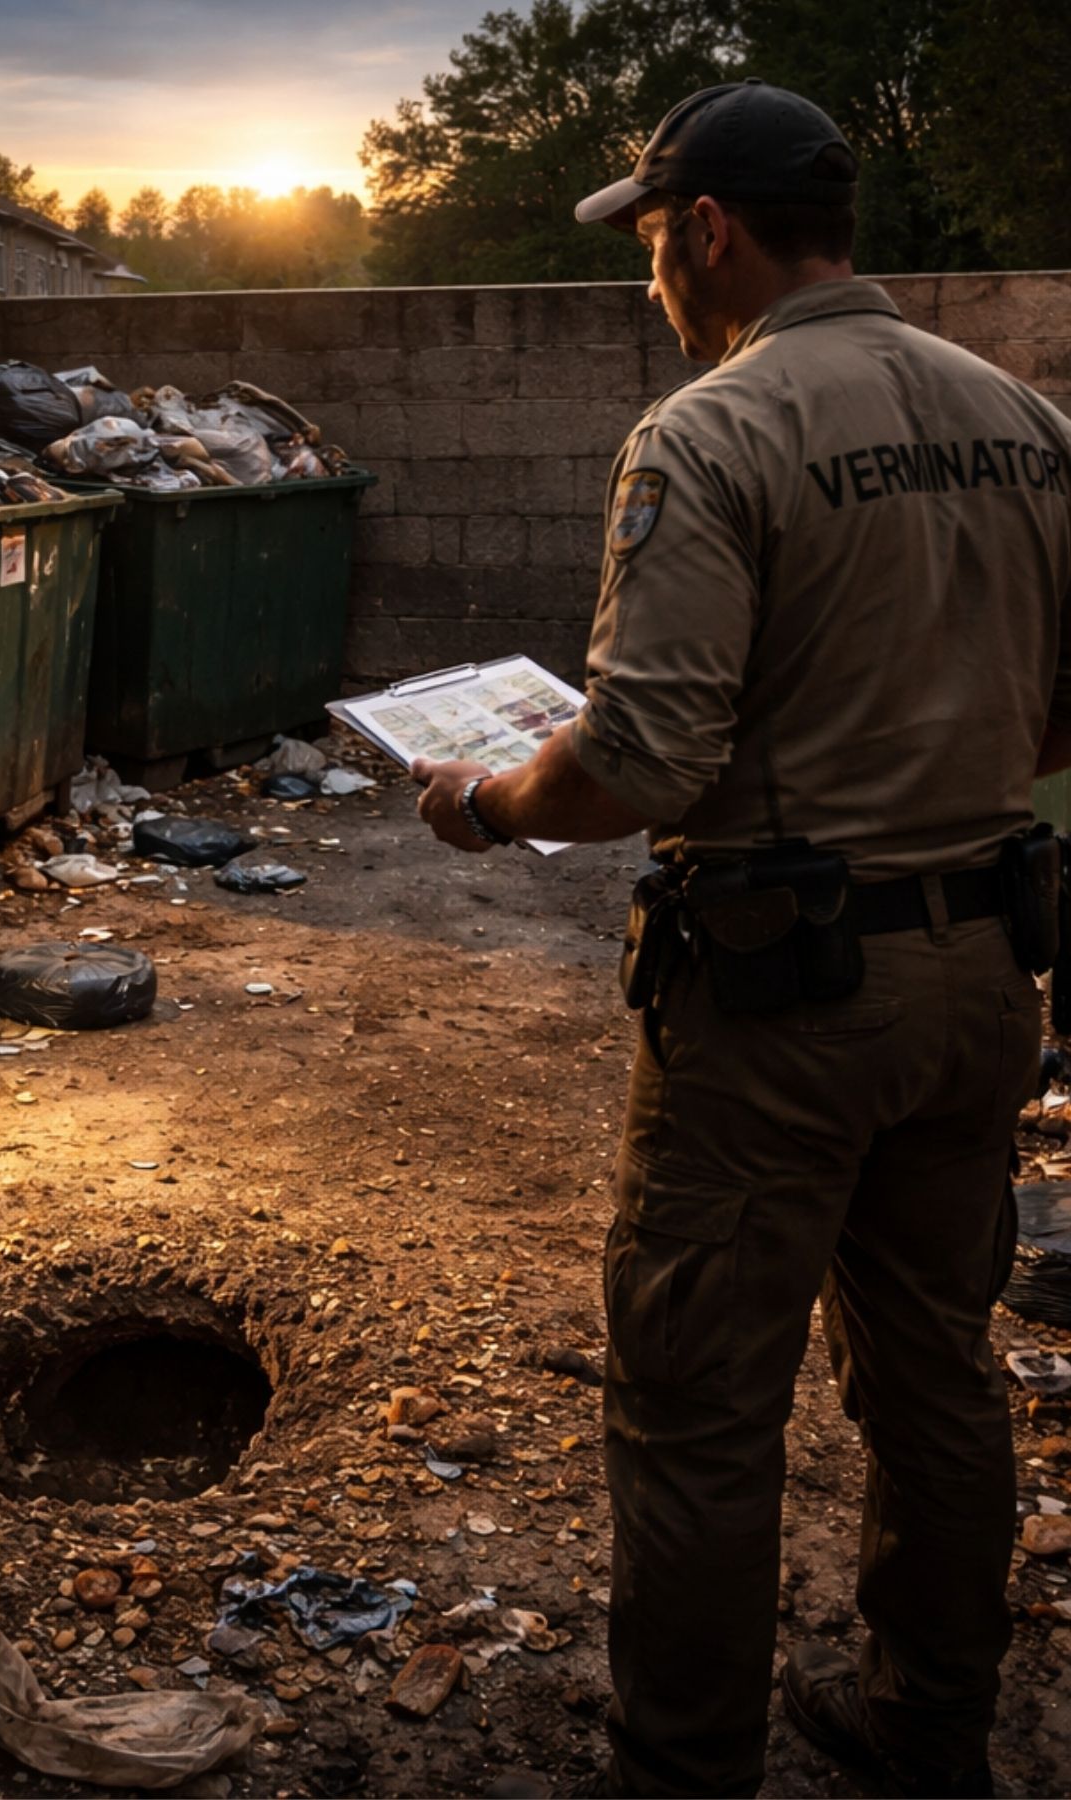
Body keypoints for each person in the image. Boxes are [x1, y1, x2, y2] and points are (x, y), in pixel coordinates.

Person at [407, 81, 1071, 1798]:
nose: (648, 284)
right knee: (937, 1367)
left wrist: (487, 804)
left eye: (650, 242)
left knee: (700, 1399)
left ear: (709, 230)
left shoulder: (712, 432)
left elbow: (641, 757)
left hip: (785, 1002)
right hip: (987, 973)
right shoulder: (1023, 420)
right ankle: (931, 1732)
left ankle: (682, 1770)